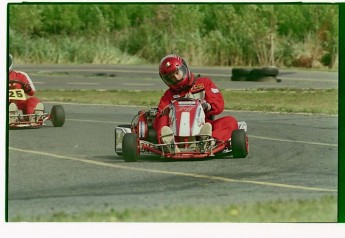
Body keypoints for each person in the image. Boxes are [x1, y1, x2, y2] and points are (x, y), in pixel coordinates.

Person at [153, 54, 239, 153]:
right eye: (171, 78)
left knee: (230, 121)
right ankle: (168, 144)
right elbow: (159, 116)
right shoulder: (169, 95)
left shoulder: (204, 83)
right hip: (176, 132)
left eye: (177, 73)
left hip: (203, 126)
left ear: (184, 68)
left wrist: (208, 106)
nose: (176, 78)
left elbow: (219, 105)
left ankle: (209, 142)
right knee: (162, 119)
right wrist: (165, 112)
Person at [8, 54, 44, 123]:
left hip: (18, 103)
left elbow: (32, 92)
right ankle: (10, 116)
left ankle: (33, 115)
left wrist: (27, 88)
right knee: (11, 106)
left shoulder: (21, 75)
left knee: (34, 100)